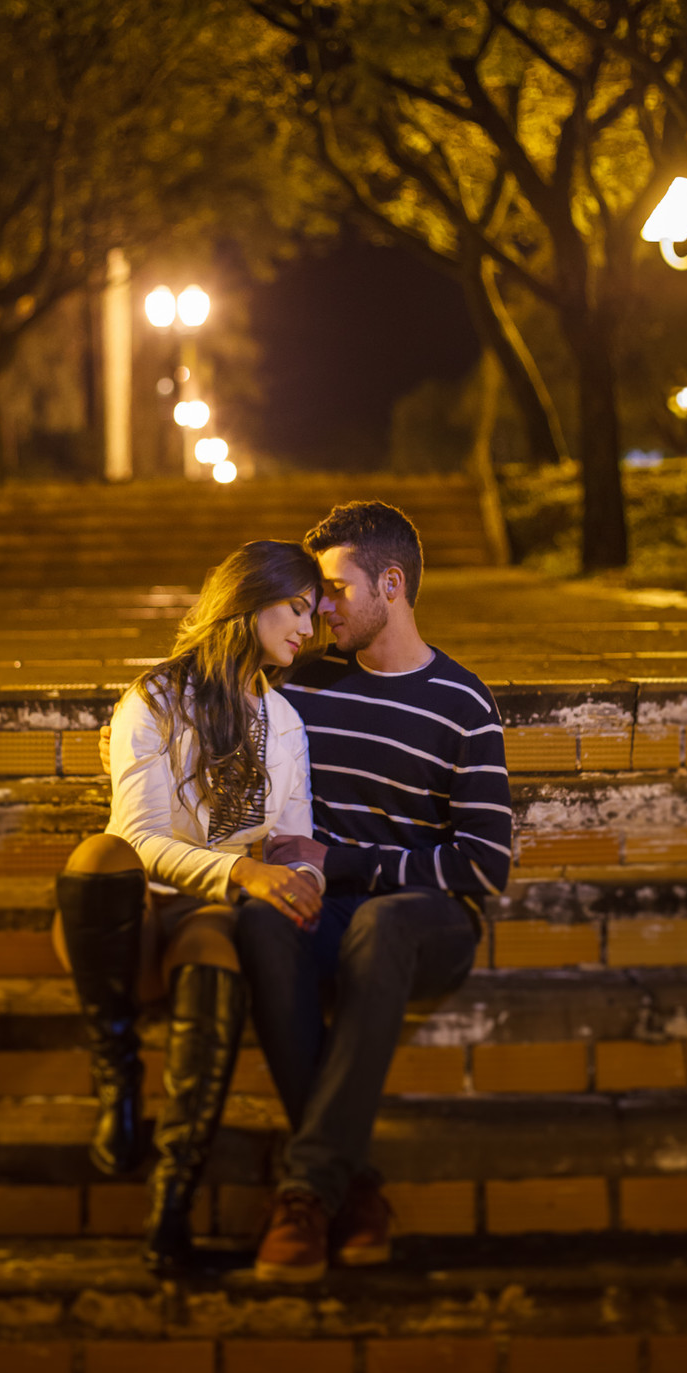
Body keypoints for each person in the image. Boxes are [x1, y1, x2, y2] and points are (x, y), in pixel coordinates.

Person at [240, 500, 512, 1282]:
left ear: (390, 584)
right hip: (326, 909)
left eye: (333, 589)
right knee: (260, 926)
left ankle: (302, 1191)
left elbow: (483, 866)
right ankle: (347, 1188)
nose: (318, 608)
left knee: (380, 926)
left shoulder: (462, 702)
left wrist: (350, 862)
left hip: (424, 927)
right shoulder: (306, 687)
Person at [52, 539, 325, 1273]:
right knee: (97, 855)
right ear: (248, 600)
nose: (308, 627)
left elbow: (296, 840)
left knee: (216, 951)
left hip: (208, 917)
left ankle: (169, 1210)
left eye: (315, 614)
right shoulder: (155, 699)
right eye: (295, 608)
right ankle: (116, 1071)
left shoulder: (286, 724)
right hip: (133, 914)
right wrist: (242, 871)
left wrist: (303, 881)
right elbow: (137, 840)